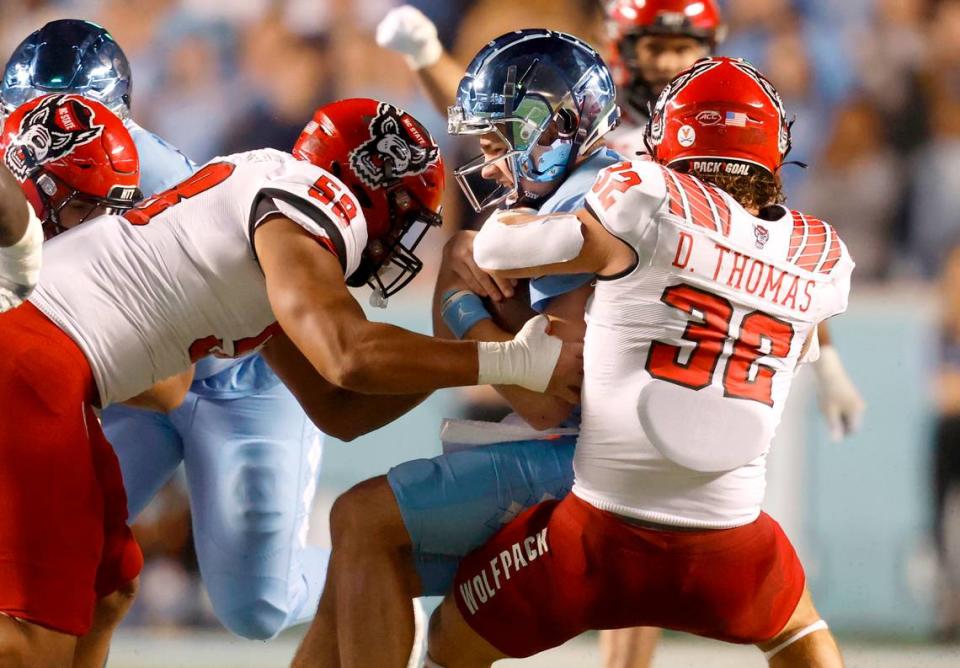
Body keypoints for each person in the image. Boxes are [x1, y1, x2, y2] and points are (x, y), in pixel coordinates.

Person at [0, 93, 579, 667]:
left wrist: (449, 336)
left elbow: (338, 409)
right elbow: (348, 355)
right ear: (371, 182)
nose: (398, 241)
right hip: (38, 365)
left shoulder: (266, 215)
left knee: (110, 587)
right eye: (403, 211)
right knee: (38, 642)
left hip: (54, 370)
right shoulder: (306, 199)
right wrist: (506, 359)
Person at [427, 57, 851, 668]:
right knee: (799, 627)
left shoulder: (647, 198)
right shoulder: (823, 255)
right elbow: (799, 345)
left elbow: (499, 247)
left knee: (449, 641)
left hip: (597, 537)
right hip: (733, 542)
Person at [377, 2, 864, 446]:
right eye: (657, 46)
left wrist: (831, 365)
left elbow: (766, 250)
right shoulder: (587, 106)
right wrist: (425, 55)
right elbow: (497, 119)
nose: (672, 62)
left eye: (684, 47)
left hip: (652, 345)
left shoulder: (717, 133)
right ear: (623, 43)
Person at [292, 29, 619, 668]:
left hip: (593, 465)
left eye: (500, 145)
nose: (491, 165)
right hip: (594, 452)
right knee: (362, 559)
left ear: (549, 129)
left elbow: (551, 396)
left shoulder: (584, 208)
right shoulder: (596, 186)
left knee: (362, 520)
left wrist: (460, 301)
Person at [2, 19, 326, 640]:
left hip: (236, 379)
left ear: (118, 118)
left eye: (73, 120)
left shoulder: (152, 182)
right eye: (28, 119)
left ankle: (371, 573)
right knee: (54, 546)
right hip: (125, 371)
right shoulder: (13, 158)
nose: (47, 142)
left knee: (256, 605)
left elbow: (170, 377)